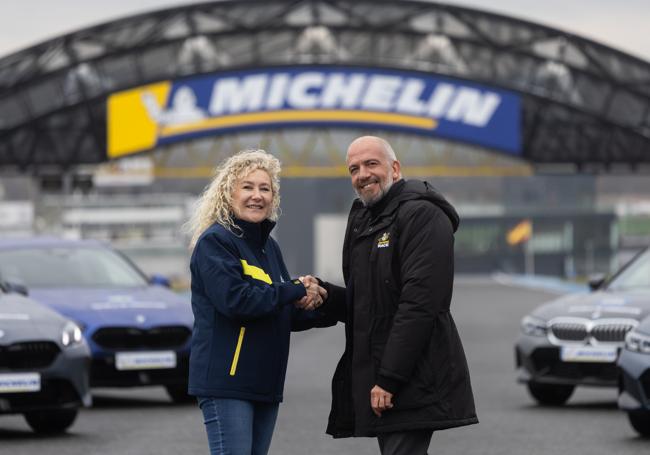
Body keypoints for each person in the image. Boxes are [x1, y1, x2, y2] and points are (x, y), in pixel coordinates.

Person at [309, 136, 478, 454]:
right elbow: (371, 303)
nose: (363, 174)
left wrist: (389, 378)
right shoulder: (364, 218)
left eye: (371, 164)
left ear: (395, 168)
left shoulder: (422, 216)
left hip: (414, 377)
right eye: (354, 168)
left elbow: (420, 304)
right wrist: (326, 295)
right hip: (386, 376)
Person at [185, 149, 330, 455]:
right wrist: (295, 289)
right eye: (247, 187)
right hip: (227, 383)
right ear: (228, 193)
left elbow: (279, 310)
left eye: (265, 188)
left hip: (264, 383)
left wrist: (323, 305)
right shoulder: (215, 242)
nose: (257, 195)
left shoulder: (269, 249)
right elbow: (236, 301)